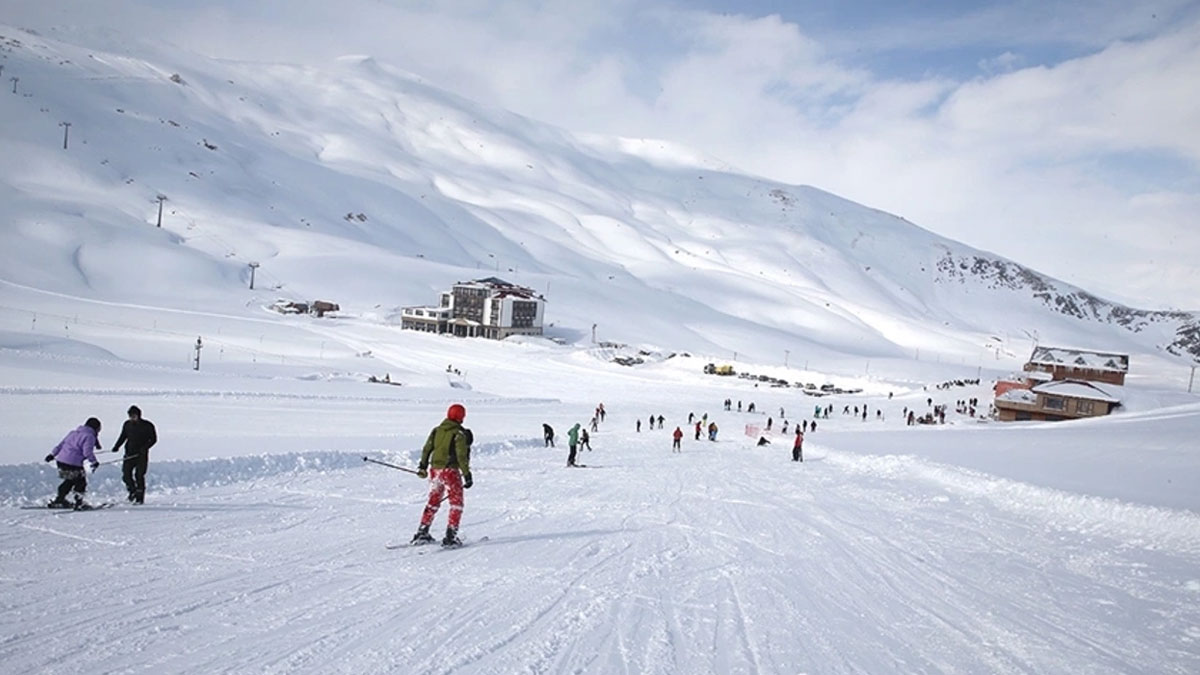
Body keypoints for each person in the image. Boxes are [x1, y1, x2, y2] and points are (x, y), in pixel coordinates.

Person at [410, 404, 473, 547]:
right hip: (450, 471)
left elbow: (427, 449)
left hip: (435, 471)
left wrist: (423, 466)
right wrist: (467, 474)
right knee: (456, 503)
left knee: (433, 501)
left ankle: (422, 531)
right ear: (461, 416)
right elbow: (461, 456)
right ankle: (451, 537)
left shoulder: (437, 430)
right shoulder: (458, 434)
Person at [45, 418, 102, 508]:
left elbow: (61, 445)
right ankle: (79, 503)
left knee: (70, 480)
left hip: (61, 461)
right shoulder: (89, 436)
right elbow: (87, 452)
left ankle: (60, 499)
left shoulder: (73, 433)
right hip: (73, 463)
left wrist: (52, 455)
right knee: (80, 482)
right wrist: (94, 462)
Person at [111, 405, 157, 504]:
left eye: (134, 416)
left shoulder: (147, 425)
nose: (132, 418)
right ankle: (132, 492)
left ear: (139, 415)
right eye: (130, 416)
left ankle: (140, 497)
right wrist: (116, 446)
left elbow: (153, 439)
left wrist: (145, 448)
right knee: (126, 475)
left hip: (141, 455)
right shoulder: (127, 425)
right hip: (129, 453)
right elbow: (123, 436)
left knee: (139, 475)